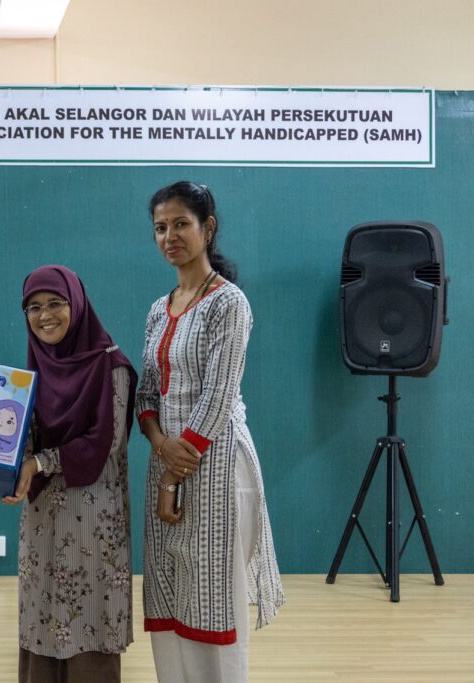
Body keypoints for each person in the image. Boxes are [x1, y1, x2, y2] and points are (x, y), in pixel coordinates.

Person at [134, 181, 284, 682]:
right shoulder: (159, 308)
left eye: (181, 224)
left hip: (216, 463)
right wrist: (159, 448)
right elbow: (147, 395)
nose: (169, 236)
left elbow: (219, 396)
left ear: (208, 227)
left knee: (214, 597)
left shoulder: (229, 303)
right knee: (170, 590)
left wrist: (173, 475)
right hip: (167, 458)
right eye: (160, 227)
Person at [3, 264, 137, 683]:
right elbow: (21, 434)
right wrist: (4, 468)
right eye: (34, 307)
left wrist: (39, 463)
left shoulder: (110, 366)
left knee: (89, 616)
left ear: (76, 304)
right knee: (42, 612)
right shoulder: (32, 372)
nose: (45, 316)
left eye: (56, 303)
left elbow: (106, 442)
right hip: (43, 515)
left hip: (93, 518)